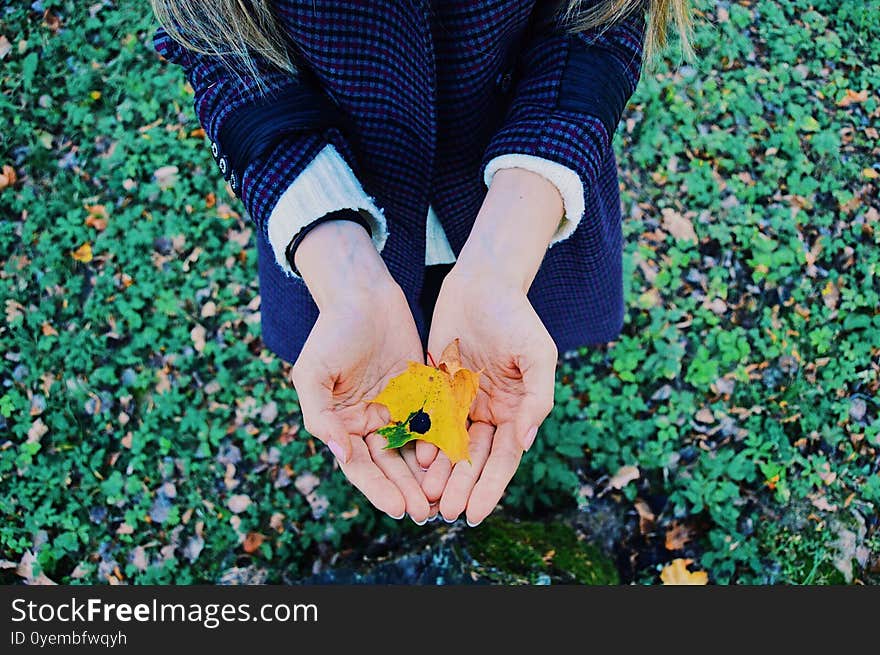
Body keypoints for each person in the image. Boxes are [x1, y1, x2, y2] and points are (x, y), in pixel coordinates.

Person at [151, 0, 692, 527]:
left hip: (521, 208)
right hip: (333, 218)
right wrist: (343, 277)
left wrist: (504, 261)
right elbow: (217, 44)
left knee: (519, 348)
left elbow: (601, 21)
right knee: (374, 378)